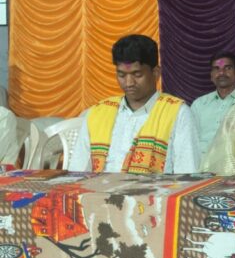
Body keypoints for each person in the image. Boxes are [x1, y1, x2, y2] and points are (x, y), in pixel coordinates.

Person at [70, 35, 199, 174]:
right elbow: (77, 173)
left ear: (156, 73)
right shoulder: (97, 113)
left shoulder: (178, 114)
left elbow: (187, 176)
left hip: (155, 188)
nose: (129, 83)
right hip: (99, 188)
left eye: (137, 75)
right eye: (122, 75)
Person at [190, 52, 235, 156]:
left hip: (234, 163)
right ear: (211, 76)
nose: (222, 73)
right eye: (216, 69)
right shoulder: (199, 104)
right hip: (201, 163)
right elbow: (189, 140)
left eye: (228, 68)